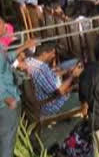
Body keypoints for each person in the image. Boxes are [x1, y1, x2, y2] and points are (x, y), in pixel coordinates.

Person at [0, 22, 35, 157]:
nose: (5, 27)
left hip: (9, 97)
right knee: (6, 142)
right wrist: (5, 97)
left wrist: (24, 46)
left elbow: (7, 58)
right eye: (2, 25)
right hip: (5, 103)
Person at [25, 43, 84, 116]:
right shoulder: (41, 69)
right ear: (44, 53)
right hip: (50, 106)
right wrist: (72, 76)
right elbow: (59, 91)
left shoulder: (29, 61)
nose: (53, 56)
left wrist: (66, 71)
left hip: (42, 98)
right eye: (52, 53)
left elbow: (49, 75)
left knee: (74, 63)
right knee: (83, 96)